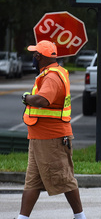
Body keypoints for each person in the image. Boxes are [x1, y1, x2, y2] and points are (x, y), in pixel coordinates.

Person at [17, 40, 86, 219]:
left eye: (34, 54)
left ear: (39, 56)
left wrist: (26, 98)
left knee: (64, 179)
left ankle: (80, 217)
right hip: (39, 137)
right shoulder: (48, 74)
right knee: (32, 182)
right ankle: (22, 218)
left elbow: (42, 100)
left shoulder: (53, 77)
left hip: (52, 138)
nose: (33, 57)